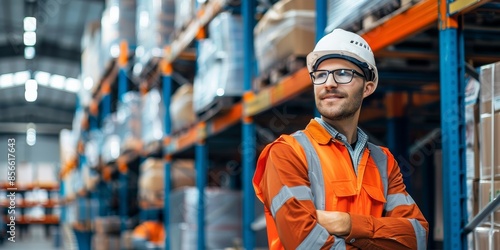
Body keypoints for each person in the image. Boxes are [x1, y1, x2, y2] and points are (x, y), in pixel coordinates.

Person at [253, 28, 429, 249]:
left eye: (343, 73)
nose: (329, 83)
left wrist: (347, 224)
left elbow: (416, 237)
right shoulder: (287, 153)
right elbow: (305, 243)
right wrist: (379, 234)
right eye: (320, 75)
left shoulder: (383, 161)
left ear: (368, 87)